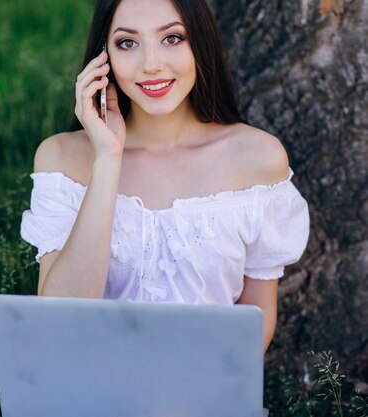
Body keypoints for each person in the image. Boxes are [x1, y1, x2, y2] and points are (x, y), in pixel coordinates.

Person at [20, 0, 309, 355]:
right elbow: (59, 323)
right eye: (128, 43)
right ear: (102, 58)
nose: (151, 64)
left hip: (205, 396)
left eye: (172, 38)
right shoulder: (61, 158)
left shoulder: (258, 158)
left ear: (199, 43)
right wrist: (108, 159)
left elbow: (257, 314)